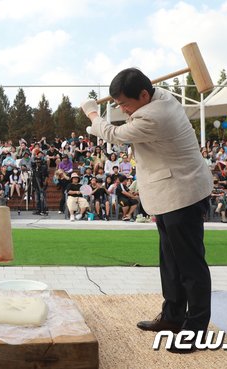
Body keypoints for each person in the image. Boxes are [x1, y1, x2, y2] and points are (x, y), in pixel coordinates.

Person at [82, 68, 213, 353]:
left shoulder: (156, 115)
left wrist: (93, 114)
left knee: (190, 265)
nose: (123, 109)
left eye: (125, 103)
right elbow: (126, 116)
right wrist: (121, 104)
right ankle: (173, 316)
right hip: (169, 192)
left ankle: (196, 329)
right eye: (118, 104)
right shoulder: (156, 97)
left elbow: (114, 134)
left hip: (184, 192)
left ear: (144, 94)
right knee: (170, 260)